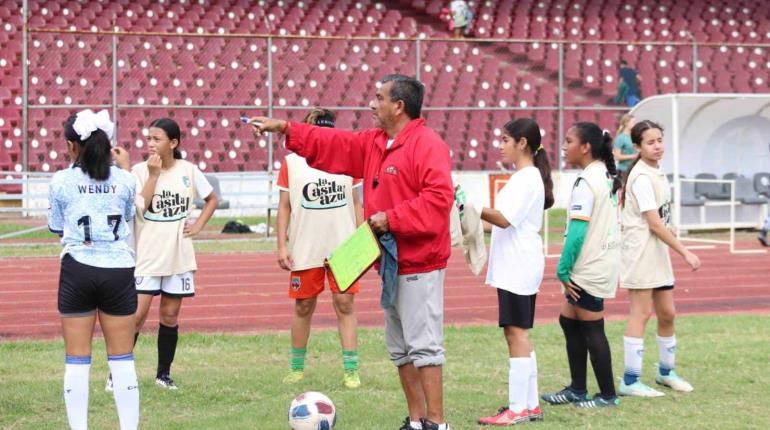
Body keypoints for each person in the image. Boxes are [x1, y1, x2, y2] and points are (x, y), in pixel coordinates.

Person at [250, 74, 455, 430]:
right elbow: (336, 143)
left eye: (379, 98)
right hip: (390, 263)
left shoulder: (427, 144)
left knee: (424, 346)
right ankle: (418, 420)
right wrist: (285, 128)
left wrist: (390, 219)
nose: (371, 105)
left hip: (419, 263)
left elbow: (439, 200)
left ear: (399, 106)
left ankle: (438, 423)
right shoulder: (376, 142)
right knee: (401, 347)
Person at [110, 118, 218, 391]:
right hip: (146, 255)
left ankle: (163, 375)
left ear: (173, 143)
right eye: (148, 138)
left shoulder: (189, 171)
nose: (150, 144)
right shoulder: (139, 171)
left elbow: (211, 199)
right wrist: (153, 175)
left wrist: (199, 225)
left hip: (178, 256)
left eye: (156, 139)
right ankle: (117, 375)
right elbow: (140, 209)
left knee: (170, 317)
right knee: (135, 317)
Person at [48, 109, 139, 429]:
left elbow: (56, 227)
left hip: (78, 270)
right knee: (122, 359)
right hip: (118, 270)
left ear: (73, 146)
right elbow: (128, 215)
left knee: (76, 359)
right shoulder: (127, 179)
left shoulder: (61, 180)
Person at [275, 108, 365, 389]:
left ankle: (351, 370)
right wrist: (281, 245)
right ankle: (296, 368)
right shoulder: (292, 162)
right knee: (303, 306)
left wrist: (363, 239)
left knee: (345, 303)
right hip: (306, 244)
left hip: (344, 245)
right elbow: (285, 206)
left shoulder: (348, 156)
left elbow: (357, 203)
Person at [476, 118, 554, 426]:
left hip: (519, 264)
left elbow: (504, 219)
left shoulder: (526, 178)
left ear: (522, 143)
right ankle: (530, 405)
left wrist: (470, 206)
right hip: (517, 263)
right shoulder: (526, 177)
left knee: (516, 332)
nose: (500, 145)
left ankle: (518, 408)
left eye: (505, 140)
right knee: (518, 331)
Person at [541, 122, 622, 409]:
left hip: (589, 265)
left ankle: (607, 396)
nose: (563, 146)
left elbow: (577, 232)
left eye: (568, 140)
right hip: (599, 260)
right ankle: (577, 389)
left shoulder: (587, 181)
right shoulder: (603, 174)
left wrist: (563, 269)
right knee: (569, 321)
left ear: (585, 147)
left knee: (592, 329)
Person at [618, 120, 701, 397]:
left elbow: (663, 219)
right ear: (638, 147)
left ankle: (666, 372)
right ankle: (630, 381)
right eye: (650, 142)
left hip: (657, 253)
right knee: (640, 313)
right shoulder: (641, 177)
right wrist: (685, 251)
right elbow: (654, 224)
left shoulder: (657, 171)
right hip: (641, 252)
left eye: (659, 140)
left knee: (668, 313)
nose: (657, 146)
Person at [613, 114, 638, 178]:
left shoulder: (633, 136)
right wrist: (633, 156)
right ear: (627, 123)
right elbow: (617, 156)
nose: (635, 124)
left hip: (633, 170)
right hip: (623, 171)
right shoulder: (620, 138)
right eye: (633, 122)